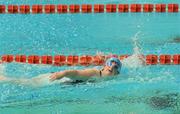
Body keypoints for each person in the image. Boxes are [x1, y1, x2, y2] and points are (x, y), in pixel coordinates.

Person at [0, 57, 122, 86]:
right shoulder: (95, 73)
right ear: (104, 67)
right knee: (26, 83)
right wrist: (61, 74)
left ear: (117, 74)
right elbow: (75, 72)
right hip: (56, 78)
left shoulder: (107, 79)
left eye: (116, 67)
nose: (113, 67)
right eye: (111, 65)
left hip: (61, 81)